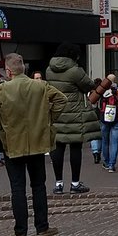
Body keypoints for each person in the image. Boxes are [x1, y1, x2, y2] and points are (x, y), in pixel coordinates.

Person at [0, 52, 67, 236]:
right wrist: (49, 119)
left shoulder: (3, 89)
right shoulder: (40, 86)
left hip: (13, 143)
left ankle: (20, 232)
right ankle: (42, 227)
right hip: (37, 142)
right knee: (39, 185)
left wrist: (1, 125)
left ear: (8, 71)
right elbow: (61, 100)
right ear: (24, 69)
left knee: (17, 188)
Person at [44, 42, 98, 193]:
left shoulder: (49, 70)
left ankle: (58, 183)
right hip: (74, 113)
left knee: (57, 147)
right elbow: (88, 85)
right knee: (75, 147)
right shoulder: (75, 70)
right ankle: (75, 183)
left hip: (56, 112)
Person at [98, 74, 118, 172]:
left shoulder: (102, 92)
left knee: (105, 141)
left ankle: (106, 161)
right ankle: (112, 165)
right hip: (116, 119)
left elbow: (96, 105)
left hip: (104, 120)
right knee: (114, 142)